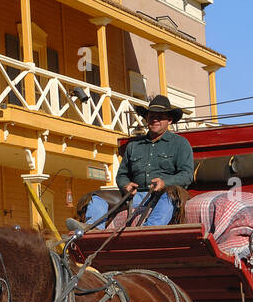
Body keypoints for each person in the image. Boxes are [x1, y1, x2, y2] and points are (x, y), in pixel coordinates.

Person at [68, 95, 194, 230]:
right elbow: (122, 175)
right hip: (135, 195)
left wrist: (165, 183)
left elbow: (187, 175)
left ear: (169, 120)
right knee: (96, 198)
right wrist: (125, 185)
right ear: (147, 119)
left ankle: (148, 230)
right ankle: (93, 229)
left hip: (163, 195)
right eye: (152, 116)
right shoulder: (133, 146)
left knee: (172, 194)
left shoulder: (180, 143)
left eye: (160, 116)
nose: (155, 119)